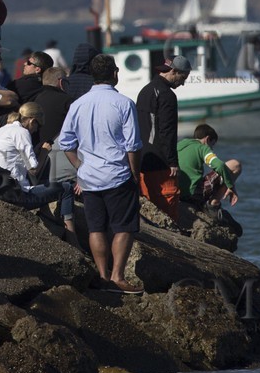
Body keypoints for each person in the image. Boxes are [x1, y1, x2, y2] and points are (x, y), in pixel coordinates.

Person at [57, 53, 144, 293]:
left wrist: (79, 167)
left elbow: (66, 143)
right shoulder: (124, 103)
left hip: (89, 176)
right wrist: (135, 174)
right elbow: (133, 145)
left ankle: (103, 275)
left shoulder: (78, 104)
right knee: (123, 227)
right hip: (118, 174)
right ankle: (117, 276)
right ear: (115, 73)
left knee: (96, 228)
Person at [0, 102, 77, 237]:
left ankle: (46, 213)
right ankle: (71, 236)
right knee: (67, 188)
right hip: (16, 195)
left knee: (30, 177)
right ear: (32, 121)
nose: (36, 130)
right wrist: (44, 152)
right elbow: (34, 169)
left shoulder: (2, 130)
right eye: (37, 126)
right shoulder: (22, 132)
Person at [136, 52, 191, 226]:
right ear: (173, 71)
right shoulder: (167, 95)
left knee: (149, 207)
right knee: (168, 208)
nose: (183, 83)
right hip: (160, 161)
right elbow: (167, 131)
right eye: (183, 77)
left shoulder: (145, 91)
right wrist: (172, 162)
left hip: (142, 159)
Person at [177, 123, 241, 208]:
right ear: (207, 139)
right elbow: (220, 166)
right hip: (193, 195)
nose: (212, 149)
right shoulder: (202, 148)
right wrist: (231, 186)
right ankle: (214, 201)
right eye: (212, 145)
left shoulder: (180, 144)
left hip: (176, 193)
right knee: (235, 165)